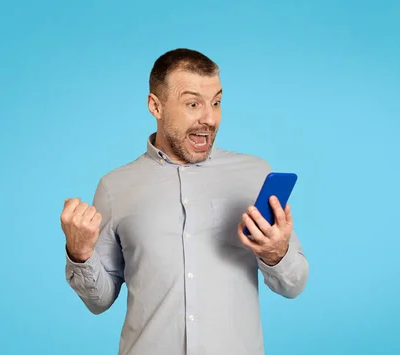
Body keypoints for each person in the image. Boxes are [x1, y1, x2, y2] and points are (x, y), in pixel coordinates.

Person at [60, 48, 309, 355]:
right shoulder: (115, 187)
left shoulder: (254, 174)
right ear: (156, 106)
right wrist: (80, 253)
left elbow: (294, 284)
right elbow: (99, 301)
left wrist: (276, 253)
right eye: (193, 104)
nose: (209, 118)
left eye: (216, 103)